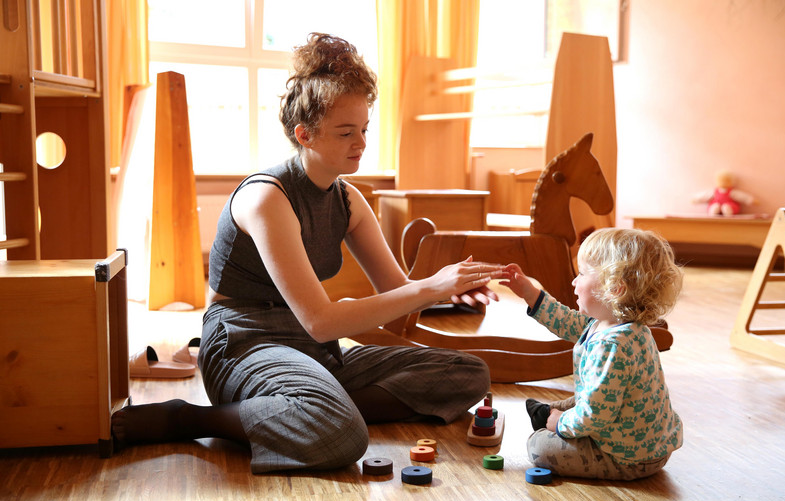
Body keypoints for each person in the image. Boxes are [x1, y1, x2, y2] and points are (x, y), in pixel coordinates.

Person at [112, 33, 501, 473]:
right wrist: (428, 287)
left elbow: (397, 293)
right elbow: (321, 322)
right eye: (345, 132)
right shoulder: (267, 198)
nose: (361, 143)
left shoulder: (349, 200)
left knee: (468, 374)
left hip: (313, 352)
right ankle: (193, 418)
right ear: (305, 134)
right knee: (343, 435)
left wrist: (447, 293)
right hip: (243, 343)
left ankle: (309, 405)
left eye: (364, 129)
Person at [500, 228, 684, 480]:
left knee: (539, 447)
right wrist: (530, 294)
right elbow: (566, 321)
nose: (574, 281)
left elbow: (594, 415)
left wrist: (558, 425)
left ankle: (549, 418)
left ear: (614, 288)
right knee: (577, 402)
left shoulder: (612, 345)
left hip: (626, 457)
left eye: (582, 274)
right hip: (643, 442)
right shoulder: (619, 325)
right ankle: (551, 413)